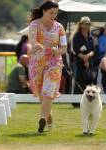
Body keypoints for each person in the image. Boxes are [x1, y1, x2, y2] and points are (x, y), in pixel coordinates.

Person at [28, 1, 67, 133]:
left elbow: (64, 47)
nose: (54, 15)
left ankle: (42, 118)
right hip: (37, 63)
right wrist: (36, 44)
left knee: (49, 91)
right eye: (51, 12)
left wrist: (59, 51)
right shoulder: (34, 24)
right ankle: (48, 117)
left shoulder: (59, 27)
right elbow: (32, 39)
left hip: (54, 63)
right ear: (44, 11)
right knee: (41, 94)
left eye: (56, 13)